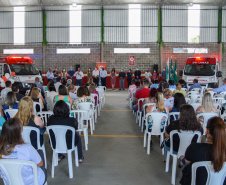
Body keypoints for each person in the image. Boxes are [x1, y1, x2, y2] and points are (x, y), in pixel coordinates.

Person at [180, 117, 226, 185]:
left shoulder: (194, 147)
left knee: (186, 165)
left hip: (197, 181)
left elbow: (187, 162)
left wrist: (182, 159)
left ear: (206, 130)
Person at [0, 118, 46, 185]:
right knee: (40, 154)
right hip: (32, 182)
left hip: (10, 182)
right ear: (19, 133)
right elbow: (40, 164)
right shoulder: (27, 148)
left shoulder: (1, 148)